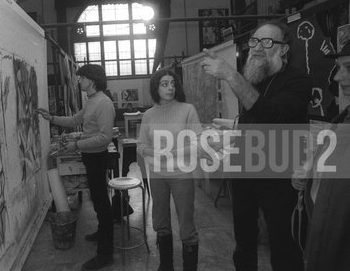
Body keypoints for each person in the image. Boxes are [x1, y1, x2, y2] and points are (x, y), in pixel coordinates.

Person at [200, 20, 312, 271]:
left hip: (280, 172)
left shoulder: (298, 80)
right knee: (243, 240)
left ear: (283, 49)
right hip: (245, 168)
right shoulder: (255, 78)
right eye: (254, 41)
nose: (258, 47)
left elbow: (270, 114)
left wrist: (230, 74)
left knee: (283, 243)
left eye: (267, 41)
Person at [37, 64, 115, 271]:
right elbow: (75, 120)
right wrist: (51, 118)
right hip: (90, 157)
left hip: (97, 157)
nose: (79, 81)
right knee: (98, 200)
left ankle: (106, 253)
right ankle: (102, 233)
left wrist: (77, 144)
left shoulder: (104, 103)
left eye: (81, 78)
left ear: (92, 80)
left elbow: (105, 137)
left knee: (101, 202)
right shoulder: (91, 101)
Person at [137, 69, 203, 271]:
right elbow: (140, 145)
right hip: (157, 175)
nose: (170, 88)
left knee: (186, 224)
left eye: (173, 83)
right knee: (160, 222)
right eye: (164, 84)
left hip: (181, 175)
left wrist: (170, 153)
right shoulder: (149, 114)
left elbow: (199, 144)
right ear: (155, 87)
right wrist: (154, 152)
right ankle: (166, 265)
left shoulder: (187, 110)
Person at [300, 41, 350, 271]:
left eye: (348, 67)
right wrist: (310, 176)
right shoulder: (342, 122)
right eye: (339, 67)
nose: (338, 77)